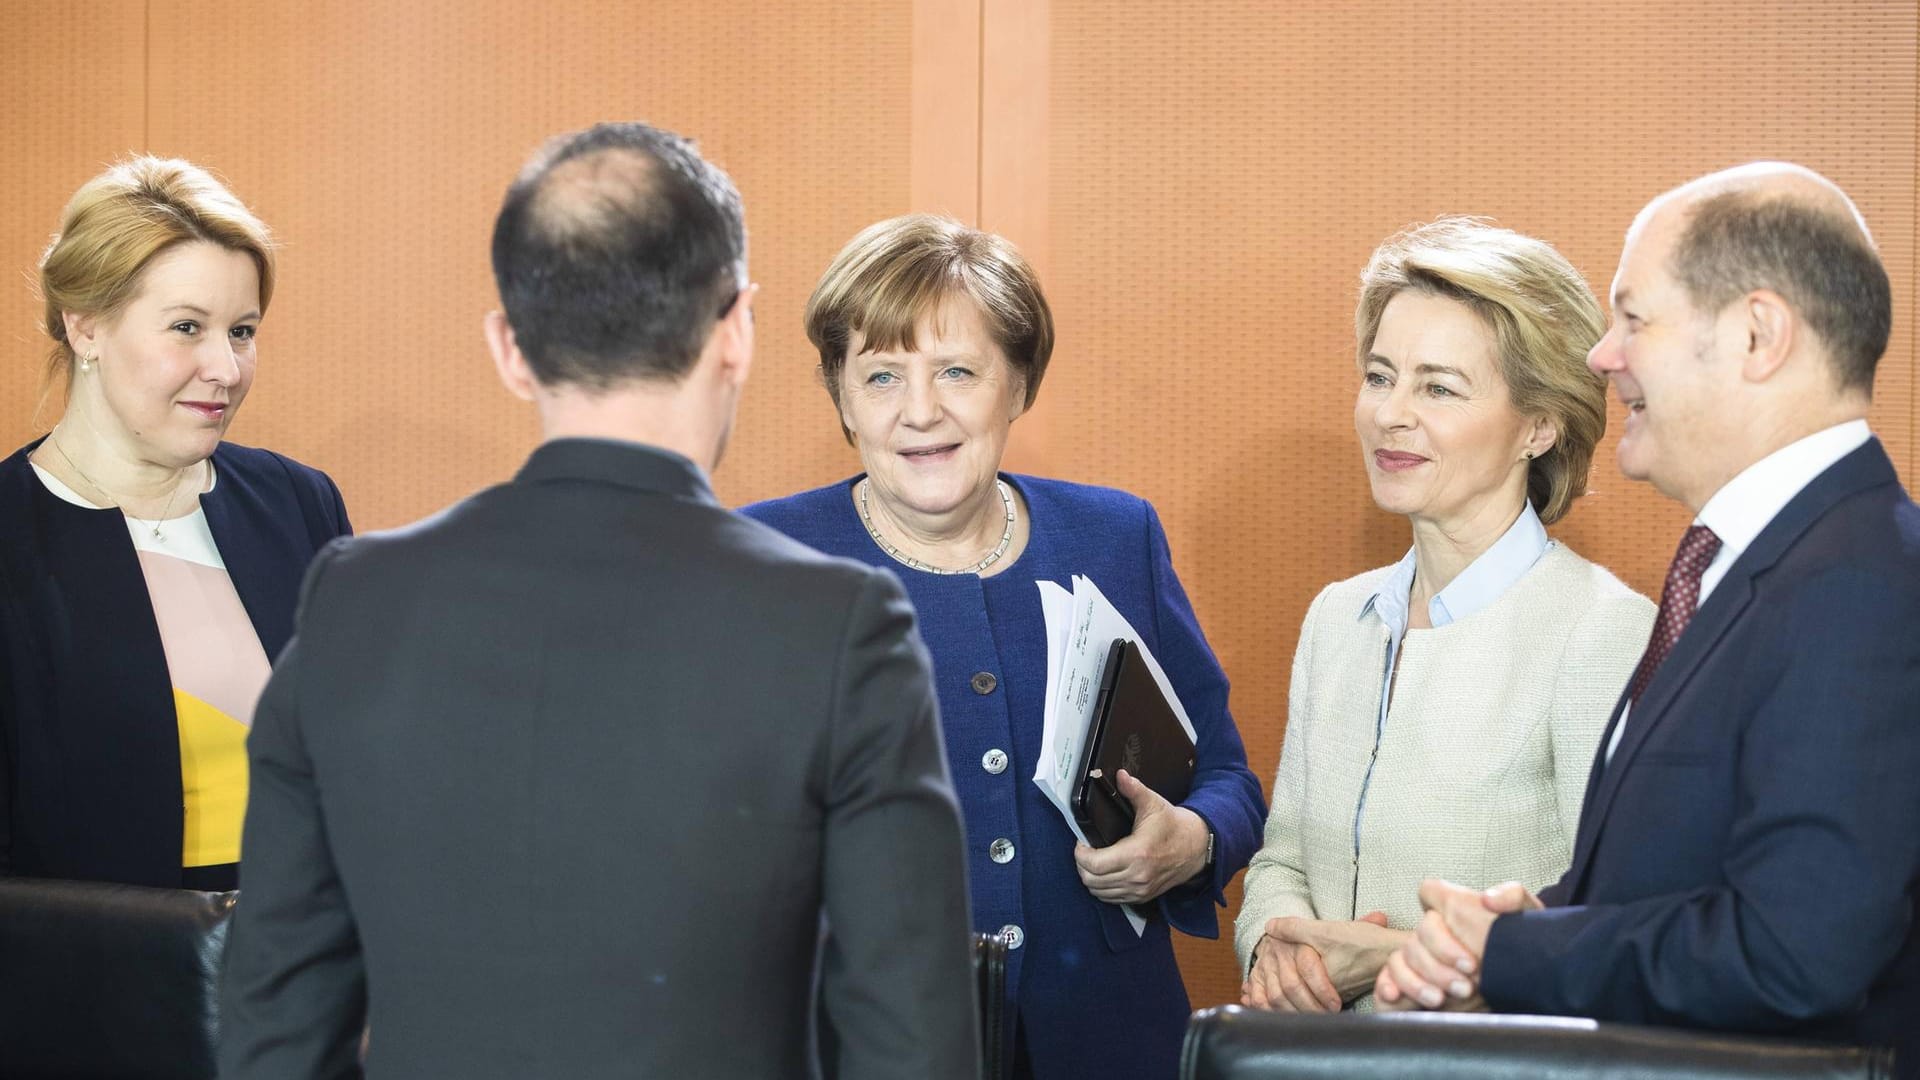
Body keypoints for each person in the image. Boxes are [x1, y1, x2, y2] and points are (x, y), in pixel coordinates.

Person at [217, 124, 978, 1079]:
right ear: (736, 329)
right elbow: (913, 1042)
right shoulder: (839, 625)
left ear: (509, 347)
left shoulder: (350, 601)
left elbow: (274, 1019)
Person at [1375, 164, 1920, 1076]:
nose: (1601, 355)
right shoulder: (1755, 562)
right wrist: (1545, 922)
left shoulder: (1859, 584)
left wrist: (1513, 955)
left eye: (1636, 318)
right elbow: (1694, 874)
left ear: (1758, 335)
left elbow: (1796, 953)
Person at [743, 213, 1266, 1080]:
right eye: (880, 376)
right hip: (864, 1046)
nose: (921, 412)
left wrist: (1194, 840)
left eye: (957, 370)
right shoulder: (767, 562)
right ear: (839, 394)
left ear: (1019, 383)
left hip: (1109, 1042)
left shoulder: (1115, 536)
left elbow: (1227, 778)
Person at [1233, 219, 1655, 1012]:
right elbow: (1280, 860)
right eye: (1380, 375)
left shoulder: (1604, 632)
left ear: (1539, 424)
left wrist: (1382, 958)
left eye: (1438, 387)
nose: (1391, 414)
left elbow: (1612, 925)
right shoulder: (1337, 618)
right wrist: (1278, 945)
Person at [0, 157, 350, 892]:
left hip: (295, 966)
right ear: (86, 325)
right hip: (89, 982)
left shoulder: (300, 502)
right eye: (187, 327)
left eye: (243, 331)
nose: (225, 367)